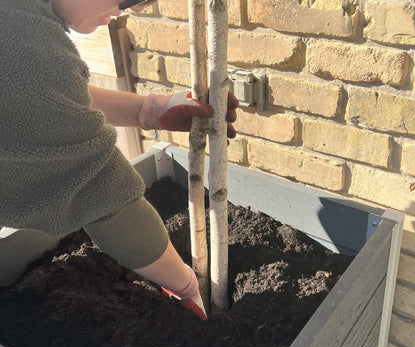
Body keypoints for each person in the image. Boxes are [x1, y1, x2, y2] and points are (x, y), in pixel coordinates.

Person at [0, 0, 239, 321]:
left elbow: (51, 95)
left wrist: (150, 109)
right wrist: (184, 285)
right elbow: (102, 194)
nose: (138, 8)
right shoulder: (16, 36)